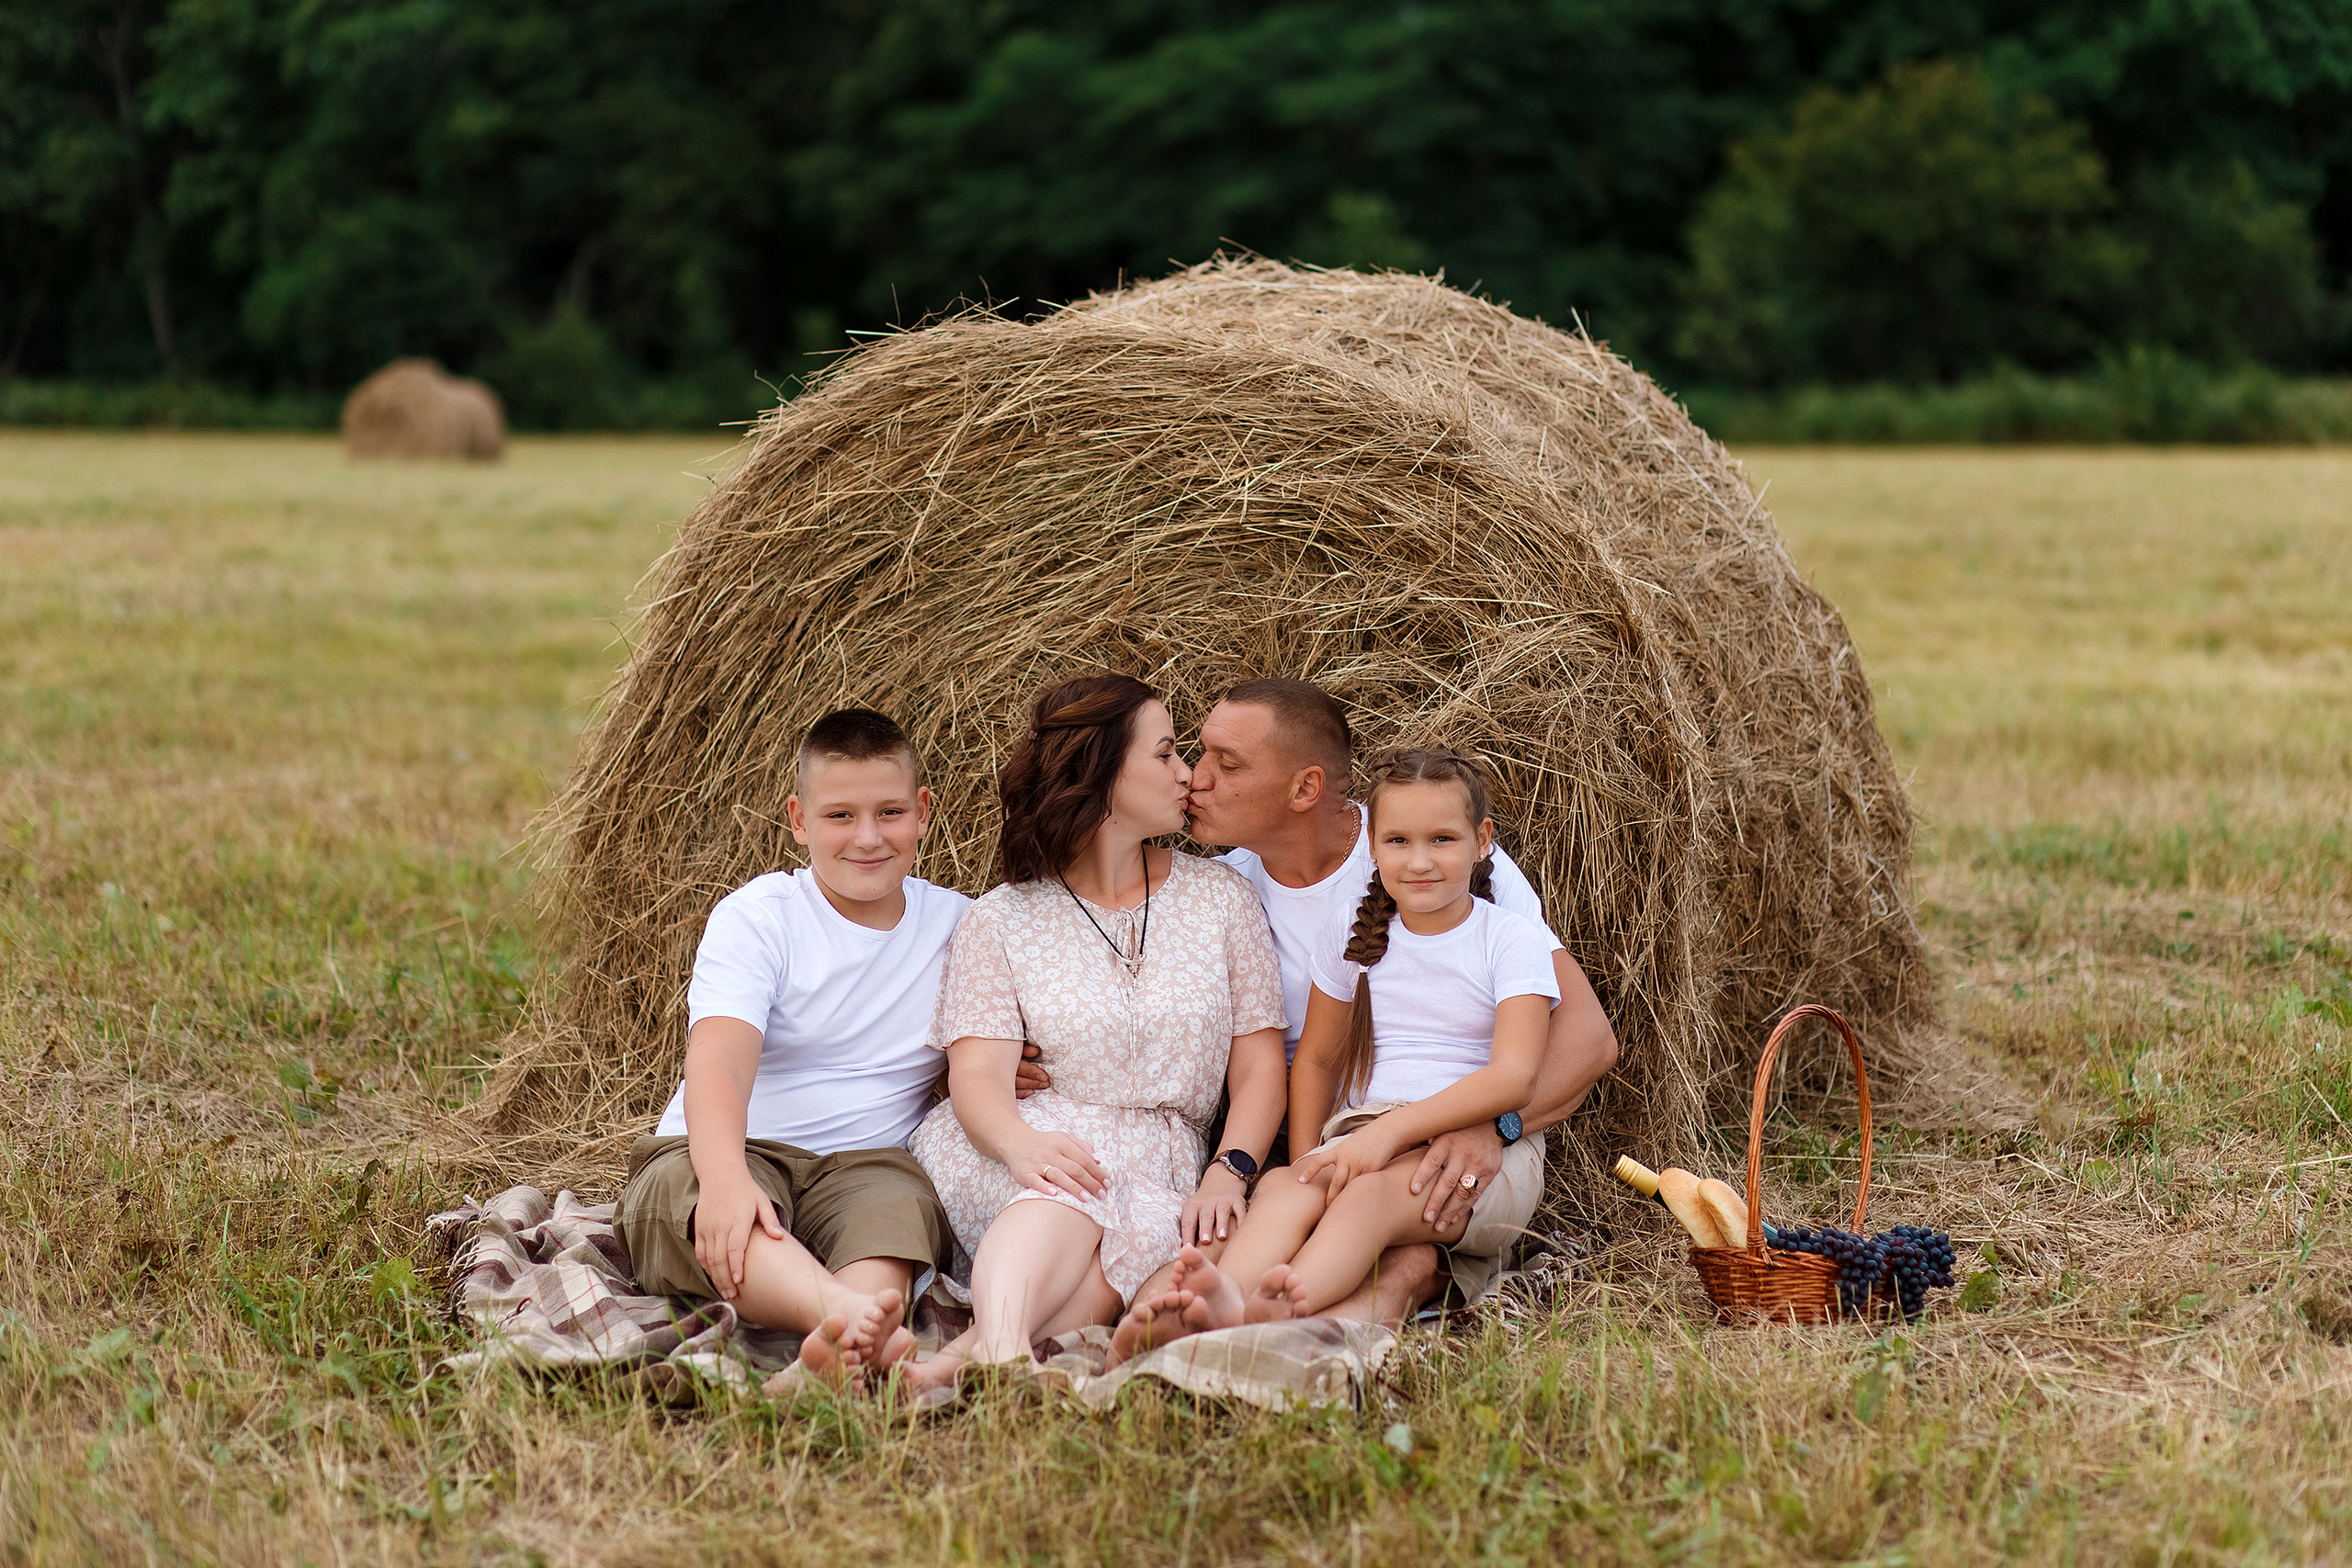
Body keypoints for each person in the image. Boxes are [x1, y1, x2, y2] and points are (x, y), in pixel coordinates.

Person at [1168, 678, 1617, 1324]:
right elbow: (1313, 1058)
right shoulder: (1222, 893)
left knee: (1377, 1221)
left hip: (1447, 1129)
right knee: (1285, 1196)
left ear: (1305, 788)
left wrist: (1495, 1126)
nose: (1193, 777)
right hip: (1344, 1130)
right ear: (1381, 842)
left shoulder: (1466, 886)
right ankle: (1214, 1308)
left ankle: (1281, 1312)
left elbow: (1587, 1040)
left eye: (1227, 763)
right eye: (1197, 753)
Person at [900, 672, 1289, 1390]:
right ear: (1103, 772)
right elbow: (977, 1075)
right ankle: (1005, 1345)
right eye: (1166, 754)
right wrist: (1023, 1147)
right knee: (1073, 1182)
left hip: (1164, 1161)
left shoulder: (1224, 900)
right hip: (1013, 1143)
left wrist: (1230, 1169)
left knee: (1119, 1236)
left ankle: (965, 1360)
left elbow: (1260, 1066)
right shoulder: (1002, 918)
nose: (1188, 773)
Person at [613, 708, 975, 1386]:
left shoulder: (961, 925)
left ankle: (842, 1344)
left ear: (923, 811)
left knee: (899, 1210)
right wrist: (725, 1179)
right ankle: (844, 1316)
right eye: (840, 816)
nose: (868, 837)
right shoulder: (759, 917)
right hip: (737, 1144)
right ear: (798, 820)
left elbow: (992, 1049)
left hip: (866, 1160)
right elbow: (719, 1060)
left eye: (890, 812)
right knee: (681, 1195)